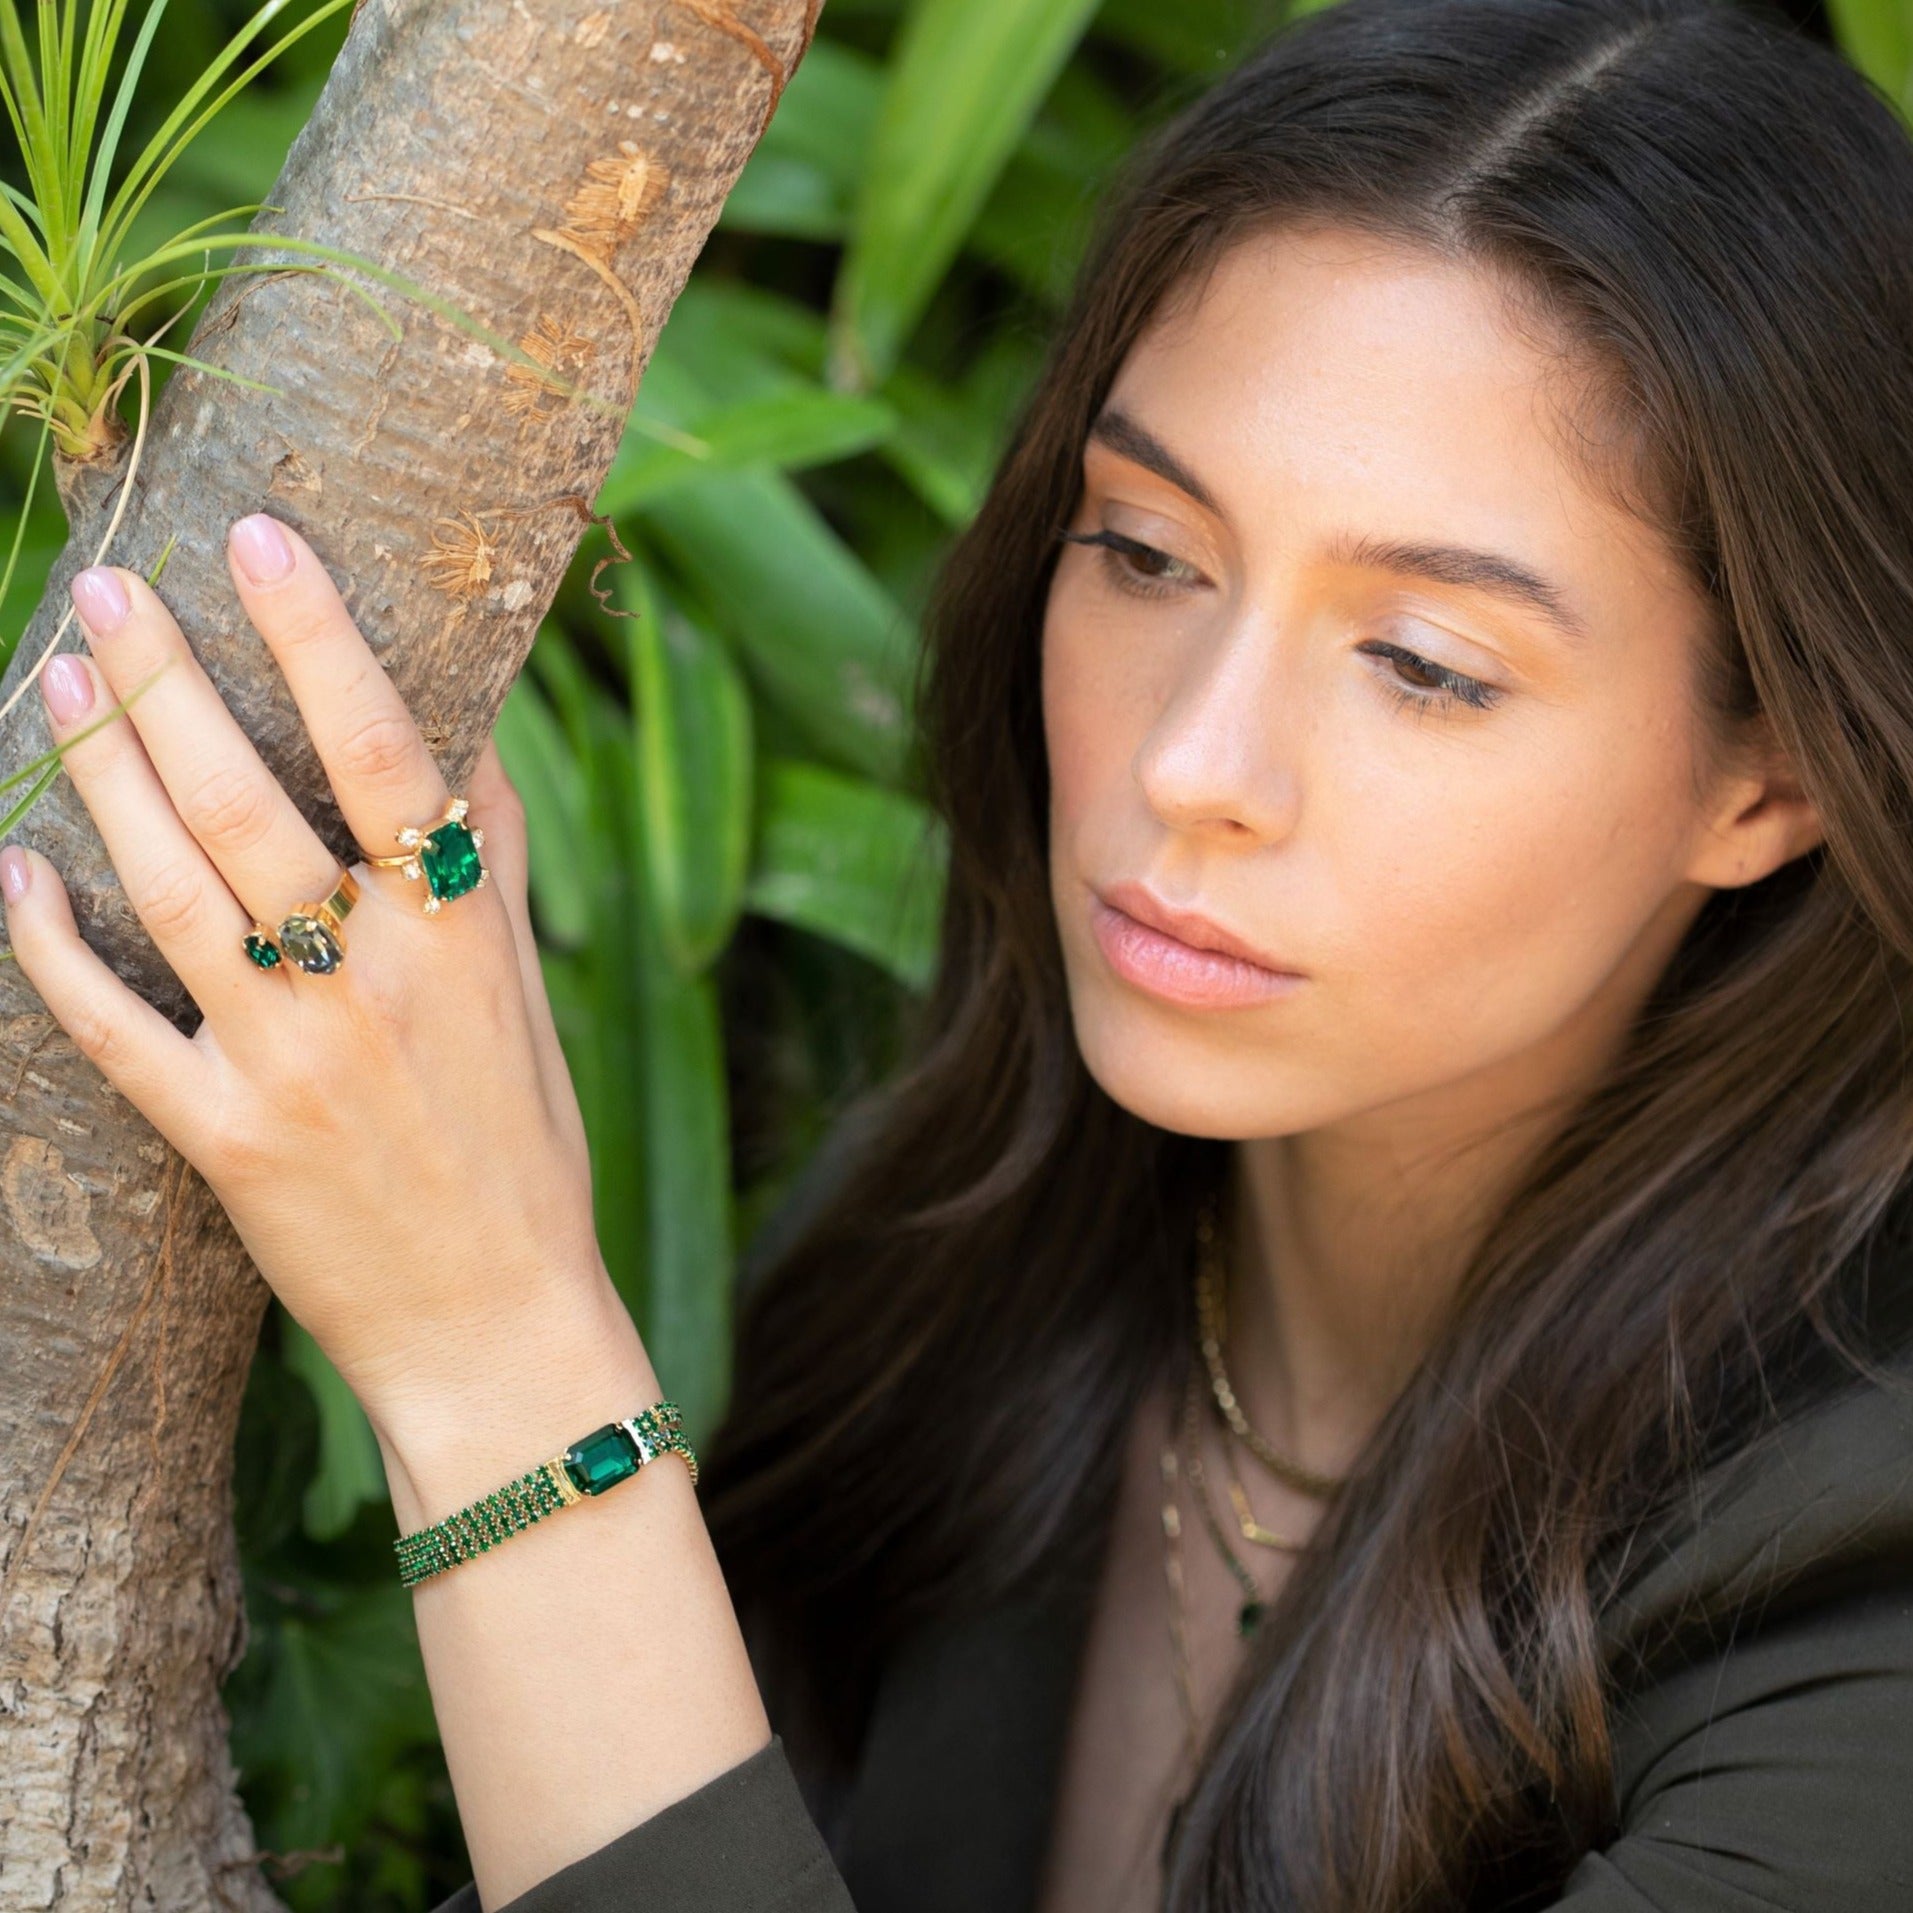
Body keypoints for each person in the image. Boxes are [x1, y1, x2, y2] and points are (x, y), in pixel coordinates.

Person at [7, 0, 1913, 1903]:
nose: (1190, 765)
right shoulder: (967, 1267)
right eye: (1147, 552)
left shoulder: (1864, 1563)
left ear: (1772, 775)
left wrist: (497, 1355)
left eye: (1423, 665)